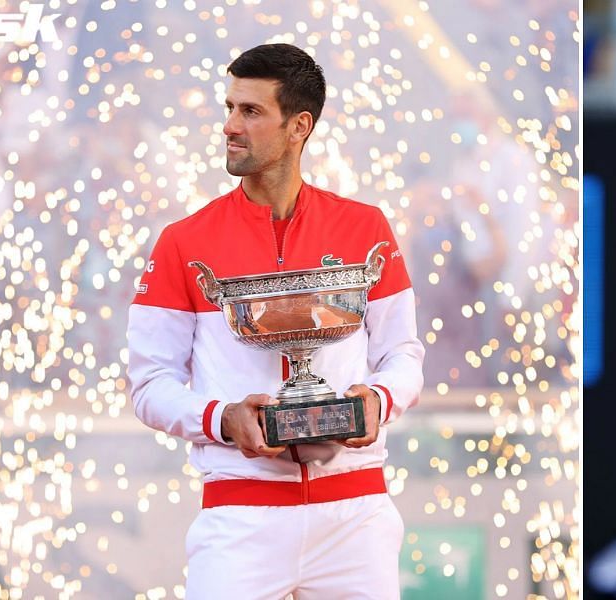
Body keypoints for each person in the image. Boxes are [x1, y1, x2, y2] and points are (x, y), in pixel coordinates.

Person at [127, 43, 424, 599]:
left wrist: (375, 403)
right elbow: (148, 386)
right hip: (240, 516)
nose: (229, 126)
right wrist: (223, 418)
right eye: (229, 107)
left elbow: (403, 354)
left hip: (355, 514)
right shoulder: (183, 242)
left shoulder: (365, 227)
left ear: (299, 126)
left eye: (251, 111)